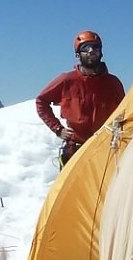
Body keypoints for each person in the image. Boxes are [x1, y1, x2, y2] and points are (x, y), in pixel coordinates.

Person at [35, 30, 125, 164]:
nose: (91, 51)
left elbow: (123, 112)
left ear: (101, 52)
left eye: (95, 47)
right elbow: (41, 101)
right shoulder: (66, 80)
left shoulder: (113, 83)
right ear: (78, 54)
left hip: (105, 152)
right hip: (75, 151)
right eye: (85, 48)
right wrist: (58, 129)